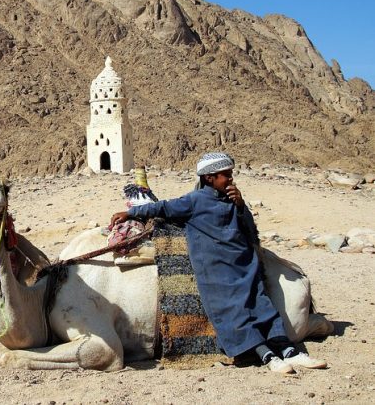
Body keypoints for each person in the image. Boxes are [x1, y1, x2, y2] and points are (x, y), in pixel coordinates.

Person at [110, 152, 327, 374]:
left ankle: (290, 351)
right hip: (216, 270)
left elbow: (250, 230)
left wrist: (242, 206)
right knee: (234, 311)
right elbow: (163, 207)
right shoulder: (194, 201)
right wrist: (130, 213)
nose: (230, 179)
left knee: (261, 304)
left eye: (231, 174)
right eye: (226, 175)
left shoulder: (233, 200)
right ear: (209, 178)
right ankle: (267, 355)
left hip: (244, 264)